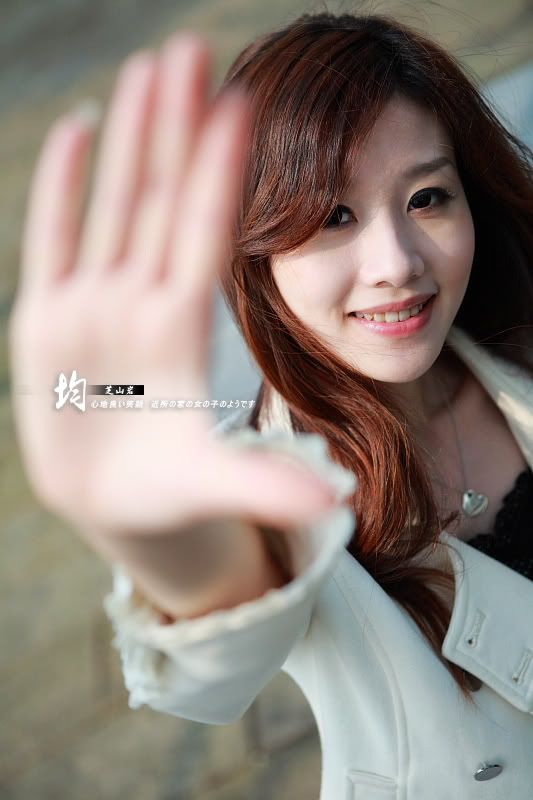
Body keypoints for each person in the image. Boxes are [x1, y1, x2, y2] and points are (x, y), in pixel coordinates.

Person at [8, 9, 533, 799]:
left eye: (426, 198)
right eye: (333, 216)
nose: (395, 263)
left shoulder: (515, 350)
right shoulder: (282, 488)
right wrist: (150, 532)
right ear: (259, 256)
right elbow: (221, 615)